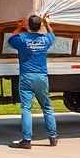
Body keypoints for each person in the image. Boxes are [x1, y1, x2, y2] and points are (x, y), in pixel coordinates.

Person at [7, 14, 58, 149]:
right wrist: (47, 24)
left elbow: (10, 39)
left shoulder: (22, 39)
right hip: (41, 77)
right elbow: (52, 35)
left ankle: (27, 140)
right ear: (40, 26)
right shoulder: (45, 40)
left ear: (28, 25)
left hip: (27, 77)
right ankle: (53, 137)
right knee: (47, 107)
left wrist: (19, 27)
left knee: (26, 108)